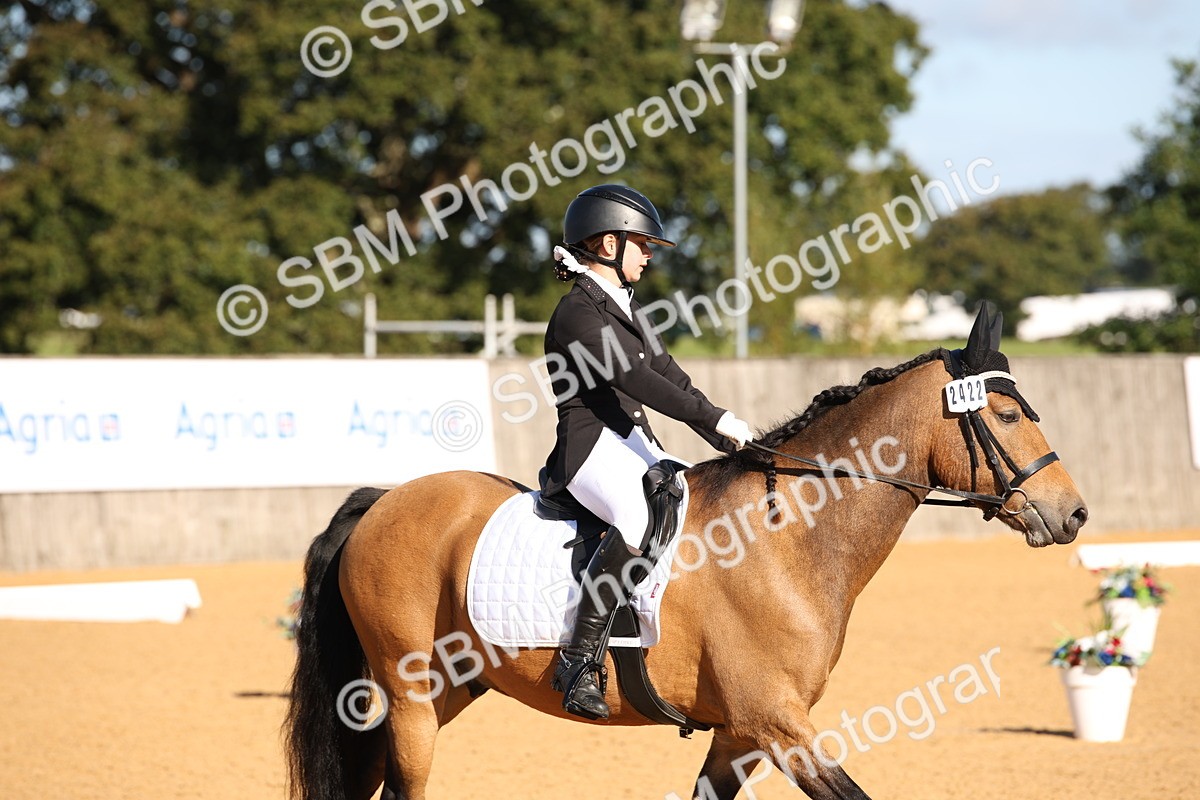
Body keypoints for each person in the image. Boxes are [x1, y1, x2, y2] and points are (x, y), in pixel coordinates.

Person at [540, 184, 754, 720]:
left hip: (630, 442)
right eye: (641, 243)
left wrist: (725, 436)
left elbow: (668, 375)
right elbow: (631, 375)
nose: (649, 253)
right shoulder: (576, 312)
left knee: (692, 497)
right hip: (588, 448)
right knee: (638, 515)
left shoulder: (626, 309)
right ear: (607, 244)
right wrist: (710, 419)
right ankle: (578, 662)